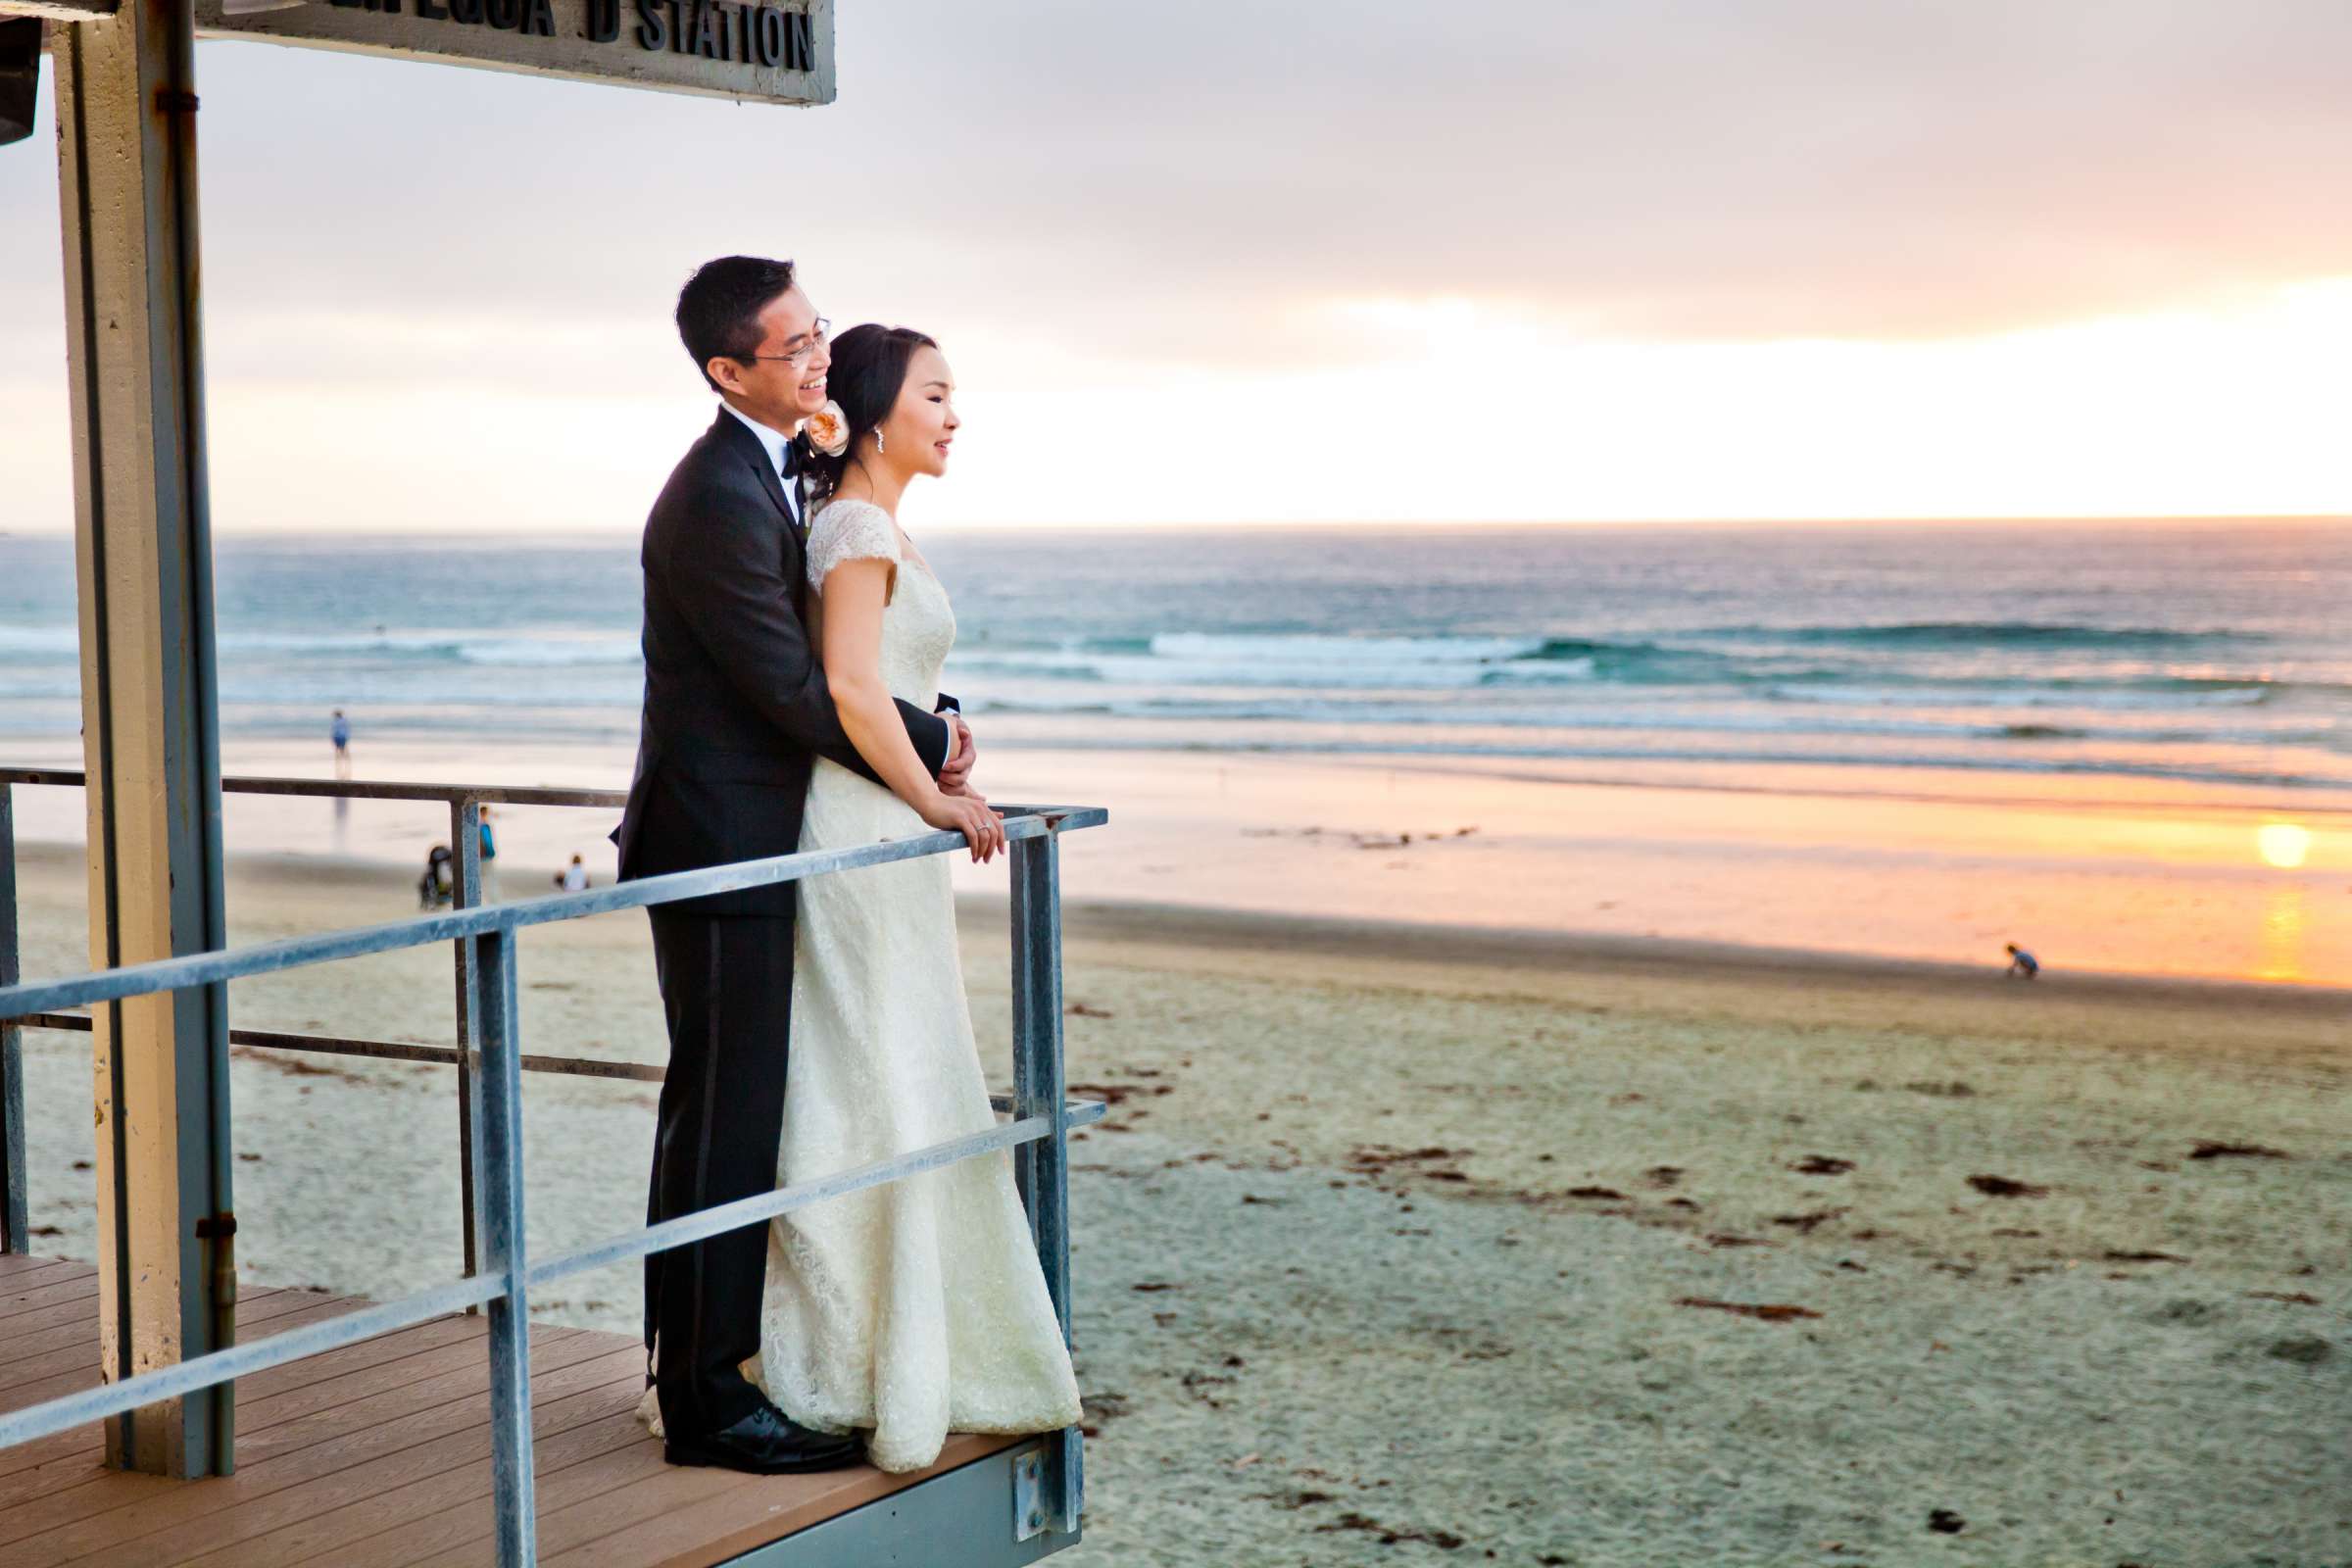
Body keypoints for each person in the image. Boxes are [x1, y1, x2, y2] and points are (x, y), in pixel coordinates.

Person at [612, 257, 977, 1476]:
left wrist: (928, 717)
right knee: (721, 1115)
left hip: (756, 833)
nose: (819, 360)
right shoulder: (715, 492)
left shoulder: (773, 474)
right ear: (728, 371)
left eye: (820, 337)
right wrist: (929, 752)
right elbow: (790, 682)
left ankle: (703, 1372)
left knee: (738, 1105)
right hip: (718, 840)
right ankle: (706, 1401)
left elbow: (847, 644)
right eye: (796, 348)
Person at [749, 321, 1076, 1473]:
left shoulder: (876, 527)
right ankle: (848, 1348)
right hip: (859, 828)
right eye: (938, 395)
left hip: (887, 809)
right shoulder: (853, 523)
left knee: (902, 1057)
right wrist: (936, 798)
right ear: (880, 410)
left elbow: (889, 683)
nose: (954, 415)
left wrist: (940, 746)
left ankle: (908, 1337)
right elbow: (846, 683)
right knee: (870, 1064)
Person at [330, 709, 352, 779]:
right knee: (342, 749)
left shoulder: (336, 721)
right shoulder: (344, 721)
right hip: (341, 736)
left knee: (339, 750)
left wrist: (333, 738)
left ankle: (341, 761)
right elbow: (347, 729)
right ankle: (343, 761)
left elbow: (335, 730)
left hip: (339, 737)